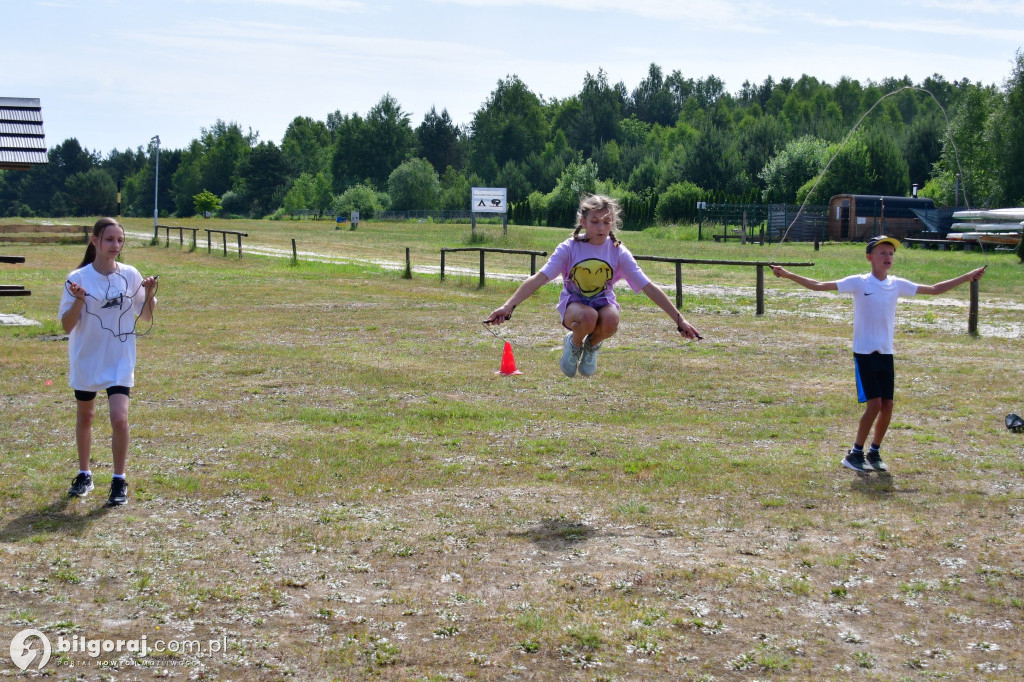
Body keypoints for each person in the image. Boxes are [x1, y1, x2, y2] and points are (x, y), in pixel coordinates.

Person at [770, 236, 985, 473]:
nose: (888, 257)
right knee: (873, 404)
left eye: (891, 254)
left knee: (888, 405)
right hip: (864, 353)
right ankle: (855, 453)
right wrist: (788, 274)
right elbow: (819, 285)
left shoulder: (897, 284)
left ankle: (874, 452)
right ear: (869, 258)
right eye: (883, 253)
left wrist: (968, 276)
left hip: (886, 353)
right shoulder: (859, 283)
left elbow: (934, 290)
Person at [486, 194, 700, 377]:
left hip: (602, 303)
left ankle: (592, 346)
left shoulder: (618, 252)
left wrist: (680, 320)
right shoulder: (568, 248)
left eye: (607, 222)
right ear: (583, 221)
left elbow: (649, 287)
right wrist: (508, 306)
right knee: (589, 317)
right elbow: (539, 278)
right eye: (595, 221)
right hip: (575, 305)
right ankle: (574, 343)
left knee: (611, 319)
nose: (601, 227)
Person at [58, 218, 158, 506]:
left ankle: (118, 479)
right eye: (110, 240)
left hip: (119, 358)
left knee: (119, 417)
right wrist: (79, 300)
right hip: (87, 358)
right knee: (86, 417)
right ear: (95, 241)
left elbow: (147, 316)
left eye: (120, 240)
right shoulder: (78, 277)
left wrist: (149, 293)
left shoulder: (130, 275)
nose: (116, 245)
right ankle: (84, 473)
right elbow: (66, 326)